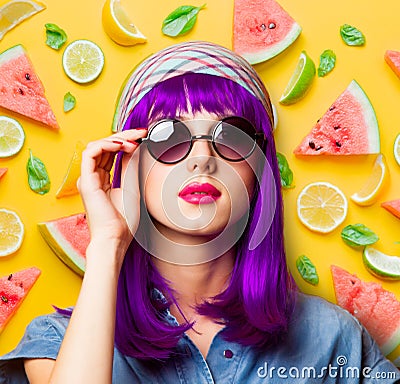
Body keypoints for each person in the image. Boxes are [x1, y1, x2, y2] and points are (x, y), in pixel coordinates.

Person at [0, 41, 399, 384]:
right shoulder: (57, 343)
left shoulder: (333, 339)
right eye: (168, 136)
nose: (202, 159)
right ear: (130, 165)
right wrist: (107, 244)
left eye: (232, 137)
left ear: (258, 172)